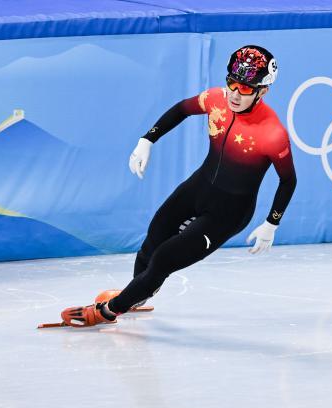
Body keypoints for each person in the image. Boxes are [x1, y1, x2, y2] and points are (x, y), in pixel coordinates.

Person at [58, 45, 297, 327]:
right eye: (231, 83)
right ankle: (138, 293)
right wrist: (147, 140)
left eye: (245, 89)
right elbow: (181, 109)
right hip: (200, 186)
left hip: (230, 211)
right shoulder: (216, 99)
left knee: (164, 259)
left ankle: (107, 311)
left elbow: (288, 180)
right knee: (155, 233)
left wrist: (272, 224)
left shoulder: (273, 133)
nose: (234, 94)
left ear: (262, 91)